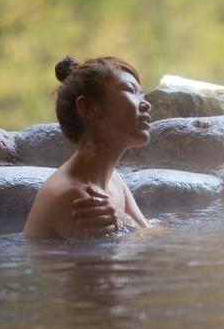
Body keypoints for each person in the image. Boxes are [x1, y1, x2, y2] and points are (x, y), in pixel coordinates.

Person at [23, 55, 152, 239]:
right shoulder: (75, 198)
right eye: (130, 91)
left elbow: (151, 234)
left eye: (142, 94)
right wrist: (126, 224)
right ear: (87, 107)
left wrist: (125, 222)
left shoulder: (112, 180)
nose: (146, 104)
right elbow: (144, 257)